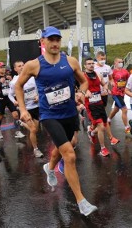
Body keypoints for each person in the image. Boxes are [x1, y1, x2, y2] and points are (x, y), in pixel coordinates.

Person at [14, 26, 97, 216]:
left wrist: (81, 93)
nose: (55, 43)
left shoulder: (71, 61)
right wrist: (23, 109)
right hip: (49, 115)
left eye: (57, 40)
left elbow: (84, 82)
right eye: (50, 39)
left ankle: (49, 168)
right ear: (42, 42)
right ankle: (81, 201)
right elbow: (18, 85)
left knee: (67, 146)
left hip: (69, 113)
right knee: (70, 155)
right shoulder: (34, 65)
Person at [8, 60, 43, 157]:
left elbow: (39, 88)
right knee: (33, 130)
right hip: (25, 109)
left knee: (36, 129)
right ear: (15, 69)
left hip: (35, 106)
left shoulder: (32, 78)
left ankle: (22, 123)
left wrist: (38, 96)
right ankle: (36, 149)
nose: (22, 67)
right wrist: (14, 101)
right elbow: (10, 95)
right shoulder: (14, 82)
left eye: (23, 65)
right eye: (19, 66)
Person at [0, 62, 25, 140]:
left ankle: (17, 131)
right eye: (1, 67)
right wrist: (0, 82)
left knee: (16, 115)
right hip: (1, 99)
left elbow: (13, 87)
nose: (3, 69)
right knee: (0, 115)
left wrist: (11, 81)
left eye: (4, 67)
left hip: (9, 98)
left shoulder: (8, 76)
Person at [83, 57, 111, 157]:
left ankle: (91, 131)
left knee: (103, 124)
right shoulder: (83, 76)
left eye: (92, 63)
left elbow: (104, 83)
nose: (91, 65)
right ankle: (103, 148)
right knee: (101, 126)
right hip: (90, 105)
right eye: (89, 63)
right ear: (85, 66)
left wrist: (106, 88)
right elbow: (79, 88)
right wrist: (85, 91)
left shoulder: (97, 74)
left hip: (99, 102)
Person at [94, 50, 119, 146]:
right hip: (96, 94)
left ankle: (92, 130)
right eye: (101, 59)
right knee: (102, 116)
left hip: (105, 94)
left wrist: (112, 83)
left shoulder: (108, 67)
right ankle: (110, 138)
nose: (103, 60)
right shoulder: (94, 67)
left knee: (101, 114)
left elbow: (110, 78)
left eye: (104, 59)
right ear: (97, 58)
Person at [107, 57, 132, 136]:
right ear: (115, 63)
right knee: (124, 109)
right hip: (115, 93)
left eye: (122, 62)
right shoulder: (113, 72)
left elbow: (130, 79)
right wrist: (109, 87)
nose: (121, 63)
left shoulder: (125, 71)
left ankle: (108, 119)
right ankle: (126, 127)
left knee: (116, 109)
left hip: (122, 93)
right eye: (119, 62)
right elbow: (109, 80)